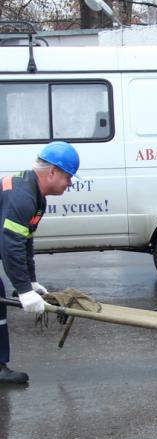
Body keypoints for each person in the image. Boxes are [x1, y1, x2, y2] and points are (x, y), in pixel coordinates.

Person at [0, 141, 80, 384]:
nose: (70, 183)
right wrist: (23, 290)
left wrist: (31, 282)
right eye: (68, 176)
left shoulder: (37, 199)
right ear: (53, 171)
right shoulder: (21, 195)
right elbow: (9, 243)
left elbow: (25, 243)